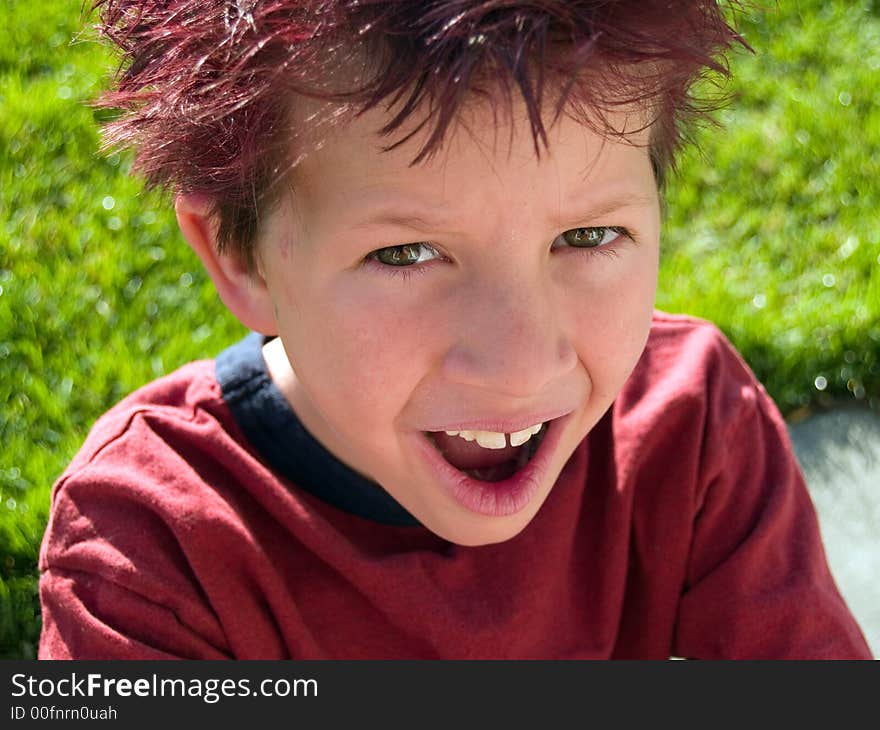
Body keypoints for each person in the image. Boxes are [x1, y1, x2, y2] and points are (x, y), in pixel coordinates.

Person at [38, 0, 871, 659]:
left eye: (585, 238)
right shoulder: (150, 554)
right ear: (240, 258)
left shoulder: (692, 428)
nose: (517, 367)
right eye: (406, 253)